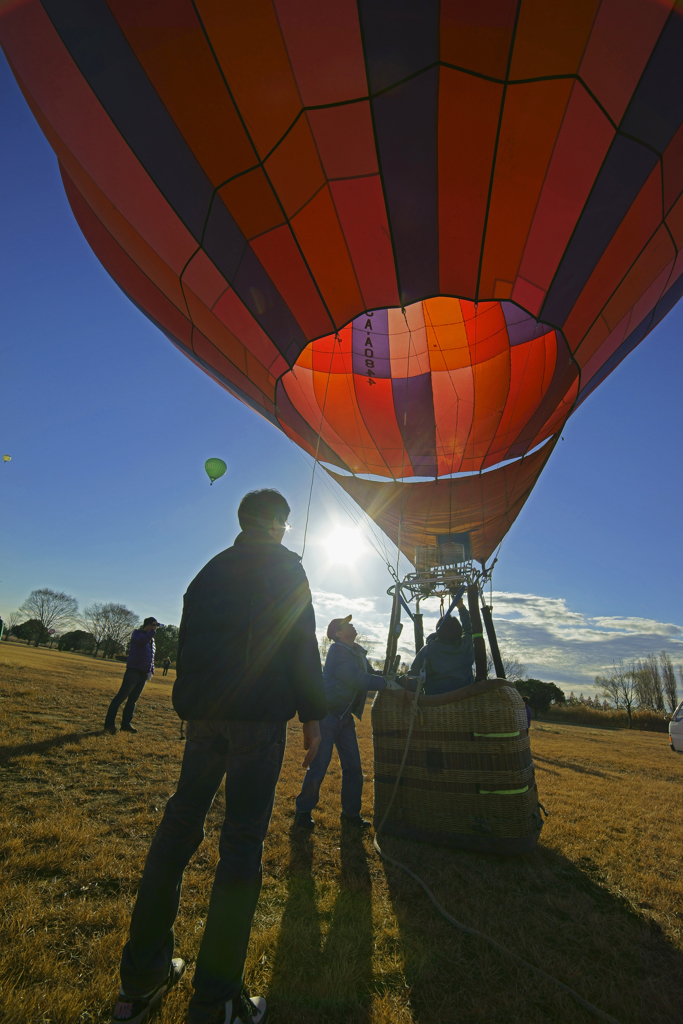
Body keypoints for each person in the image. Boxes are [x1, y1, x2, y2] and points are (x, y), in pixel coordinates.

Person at [108, 489, 326, 1024]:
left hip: (205, 717)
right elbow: (300, 640)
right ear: (277, 525)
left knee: (178, 827)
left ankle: (139, 981)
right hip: (258, 719)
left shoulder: (208, 571)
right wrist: (313, 715)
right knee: (242, 843)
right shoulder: (285, 569)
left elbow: (192, 646)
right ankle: (218, 998)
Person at [294, 614, 399, 830]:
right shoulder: (338, 652)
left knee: (353, 768)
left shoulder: (356, 652)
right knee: (319, 768)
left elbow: (369, 673)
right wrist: (386, 684)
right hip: (328, 717)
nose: (351, 624)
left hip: (345, 718)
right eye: (345, 624)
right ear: (338, 634)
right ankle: (303, 811)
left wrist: (391, 677)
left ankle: (351, 814)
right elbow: (357, 679)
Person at [104, 617, 159, 734]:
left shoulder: (151, 640)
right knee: (120, 698)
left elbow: (151, 657)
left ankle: (126, 724)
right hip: (133, 672)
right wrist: (151, 632)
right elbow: (141, 642)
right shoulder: (137, 634)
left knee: (132, 701)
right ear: (148, 625)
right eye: (154, 625)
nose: (156, 627)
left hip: (143, 674)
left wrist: (151, 670)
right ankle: (109, 724)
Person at [408, 598, 474, 696]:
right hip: (466, 699)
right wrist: (460, 606)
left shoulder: (428, 650)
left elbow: (413, 677)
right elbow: (468, 628)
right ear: (459, 631)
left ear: (439, 632)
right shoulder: (466, 645)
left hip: (436, 702)